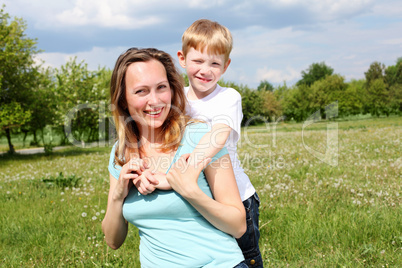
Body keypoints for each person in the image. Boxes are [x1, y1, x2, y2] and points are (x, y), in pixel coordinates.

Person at [101, 47, 248, 267]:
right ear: (123, 99)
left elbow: (238, 226)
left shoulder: (202, 138)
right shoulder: (121, 153)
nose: (155, 100)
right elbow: (113, 241)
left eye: (161, 88)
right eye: (141, 91)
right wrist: (117, 196)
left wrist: (190, 191)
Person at [176, 19, 263, 267]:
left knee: (245, 258)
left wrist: (185, 175)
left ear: (226, 66)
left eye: (215, 63)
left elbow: (218, 136)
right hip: (201, 195)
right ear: (182, 58)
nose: (206, 70)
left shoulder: (228, 97)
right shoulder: (177, 97)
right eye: (198, 61)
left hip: (236, 198)